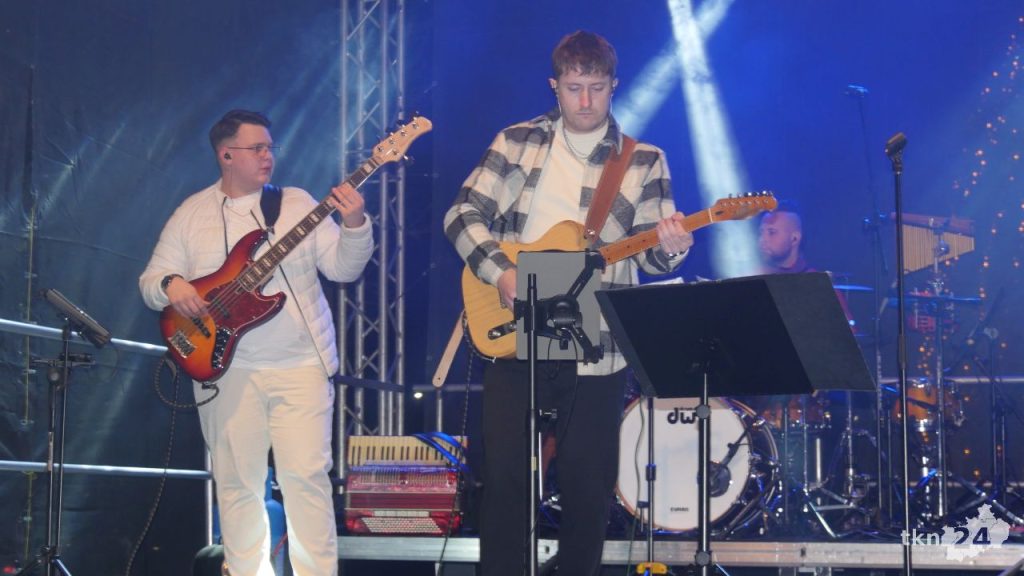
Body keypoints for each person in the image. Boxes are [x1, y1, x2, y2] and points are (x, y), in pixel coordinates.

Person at [445, 31, 693, 576]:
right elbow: (461, 215)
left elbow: (653, 261)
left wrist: (673, 246)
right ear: (554, 86)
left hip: (597, 341)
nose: (585, 101)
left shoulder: (644, 160)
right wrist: (501, 271)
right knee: (505, 478)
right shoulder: (516, 142)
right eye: (574, 88)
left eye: (597, 88)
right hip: (514, 326)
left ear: (614, 87)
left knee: (588, 483)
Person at [139, 109, 374, 575]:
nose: (269, 156)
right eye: (257, 148)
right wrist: (172, 285)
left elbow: (344, 269)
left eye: (270, 147)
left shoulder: (296, 203)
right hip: (224, 370)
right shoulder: (191, 213)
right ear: (226, 155)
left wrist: (355, 223)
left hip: (300, 365)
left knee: (306, 479)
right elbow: (150, 281)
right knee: (237, 486)